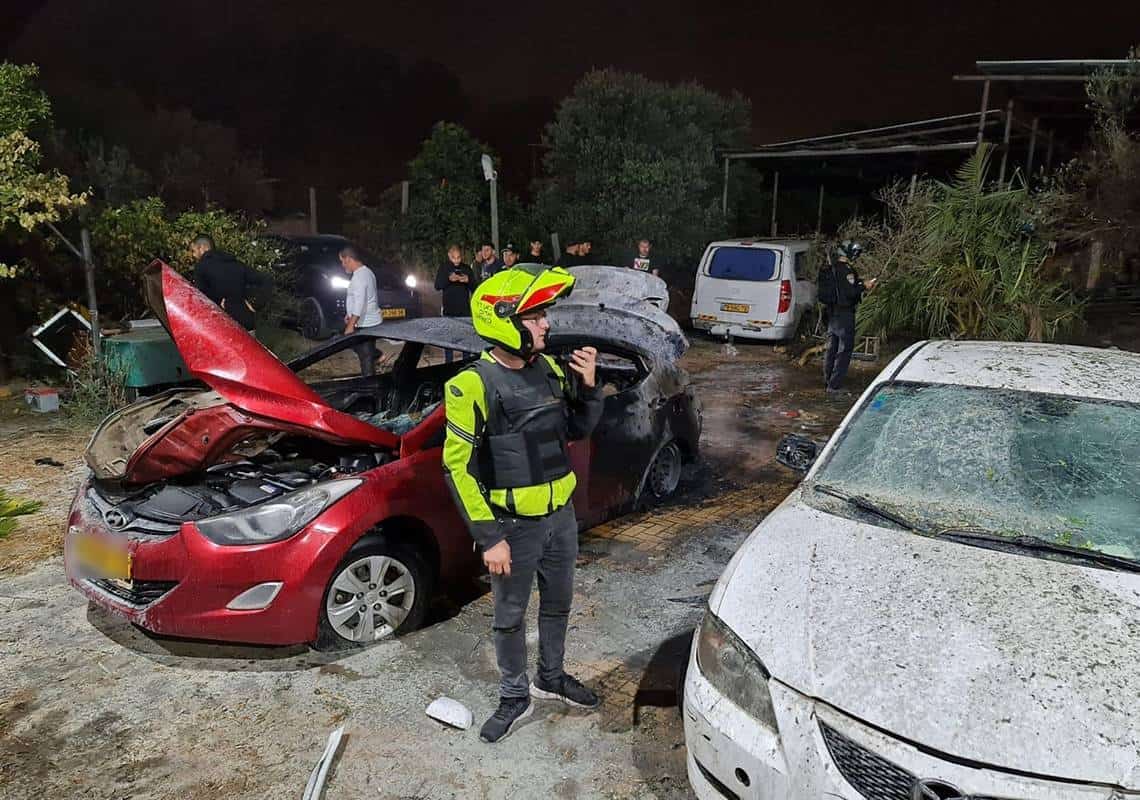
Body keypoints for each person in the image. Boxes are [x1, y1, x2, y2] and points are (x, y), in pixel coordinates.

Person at [442, 264, 604, 744]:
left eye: (544, 315)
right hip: (512, 527)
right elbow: (458, 468)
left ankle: (550, 677)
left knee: (558, 604)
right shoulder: (471, 385)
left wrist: (590, 387)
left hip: (561, 518)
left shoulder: (550, 370)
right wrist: (489, 537)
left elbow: (576, 431)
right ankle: (514, 696)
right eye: (536, 316)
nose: (546, 324)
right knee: (509, 618)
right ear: (503, 320)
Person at [818, 240, 876, 394]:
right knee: (844, 351)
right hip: (844, 315)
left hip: (832, 314)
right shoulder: (847, 270)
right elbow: (850, 292)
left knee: (831, 349)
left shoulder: (831, 269)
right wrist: (864, 286)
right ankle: (834, 386)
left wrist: (858, 284)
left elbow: (842, 288)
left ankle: (828, 380)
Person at [191, 234, 266, 331]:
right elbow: (265, 280)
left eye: (194, 251)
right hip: (247, 322)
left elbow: (201, 296)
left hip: (225, 325)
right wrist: (255, 304)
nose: (193, 255)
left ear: (202, 248)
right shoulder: (235, 264)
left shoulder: (201, 267)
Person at [339, 245, 383, 377]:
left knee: (366, 361)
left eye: (342, 261)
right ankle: (377, 355)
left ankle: (369, 389)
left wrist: (351, 325)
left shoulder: (359, 278)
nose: (342, 265)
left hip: (366, 323)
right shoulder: (367, 272)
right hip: (369, 320)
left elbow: (359, 303)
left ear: (349, 259)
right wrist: (349, 315)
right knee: (358, 348)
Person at [434, 244, 476, 364]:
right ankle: (449, 365)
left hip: (464, 312)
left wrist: (468, 280)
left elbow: (475, 288)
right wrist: (448, 279)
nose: (456, 260)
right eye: (454, 258)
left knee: (466, 343)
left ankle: (467, 365)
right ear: (449, 256)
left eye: (458, 257)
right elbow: (437, 286)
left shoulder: (466, 268)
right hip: (449, 311)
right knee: (449, 343)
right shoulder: (444, 268)